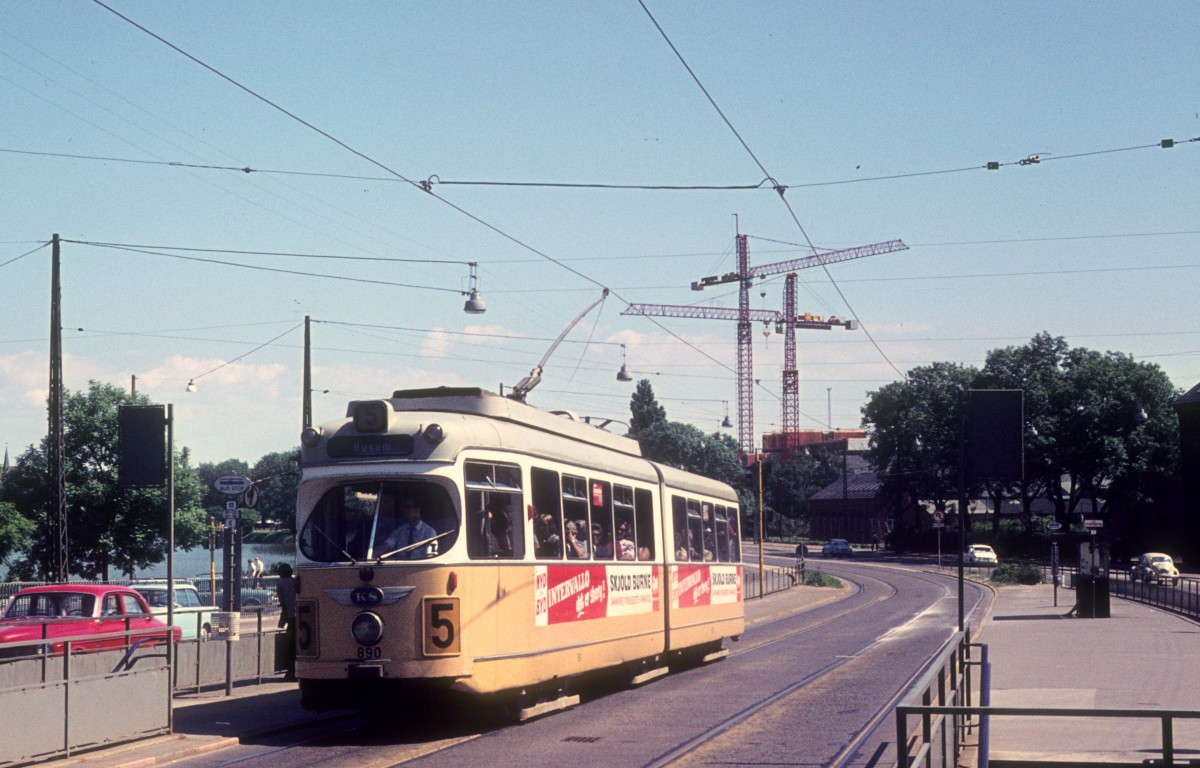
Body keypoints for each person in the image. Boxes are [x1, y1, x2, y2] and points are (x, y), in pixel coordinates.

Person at [275, 563, 297, 681]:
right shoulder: (295, 581)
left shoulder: (280, 583)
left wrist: (282, 621)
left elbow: (282, 600)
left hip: (290, 616)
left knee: (289, 645)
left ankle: (290, 671)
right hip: (300, 615)